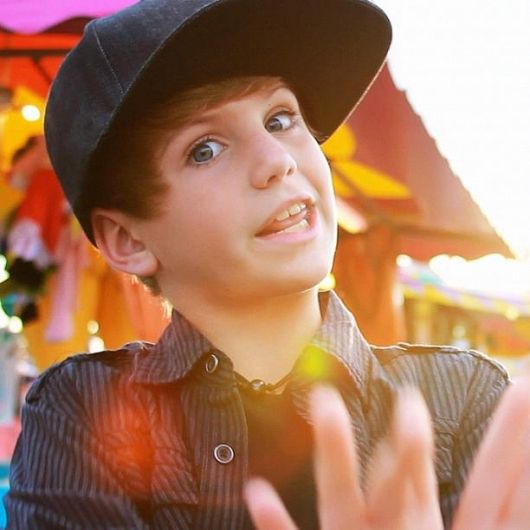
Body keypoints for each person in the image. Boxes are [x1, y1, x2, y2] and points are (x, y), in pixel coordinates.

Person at [4, 0, 527, 528]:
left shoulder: (462, 395)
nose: (279, 160)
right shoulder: (81, 408)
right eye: (205, 149)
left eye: (281, 119)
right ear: (127, 238)